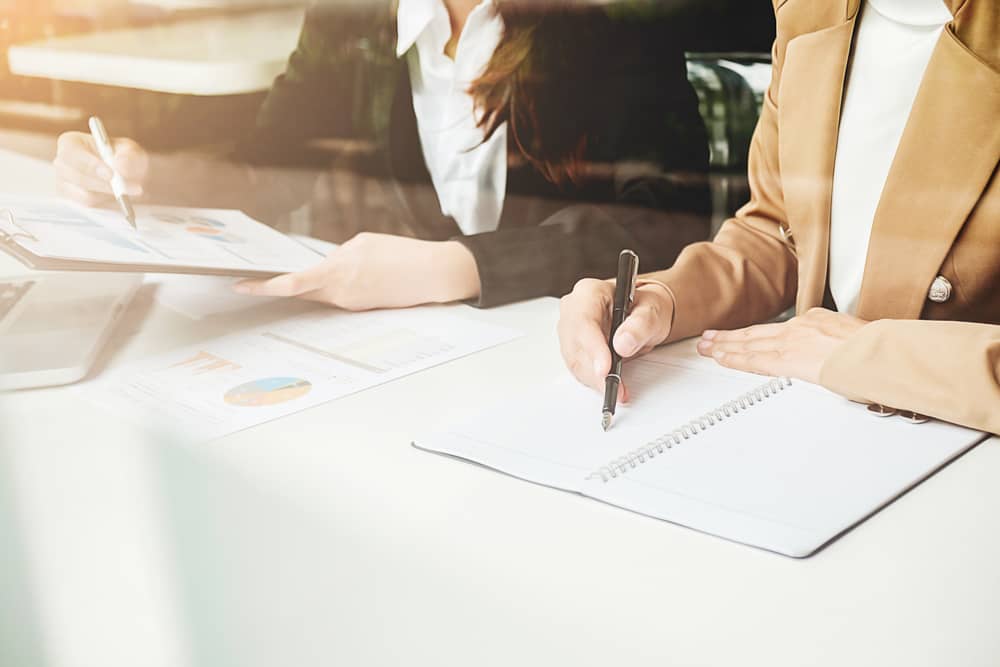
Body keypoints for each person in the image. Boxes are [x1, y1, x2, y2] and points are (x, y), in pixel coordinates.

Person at [53, 0, 715, 310]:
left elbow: (669, 221)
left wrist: (455, 268)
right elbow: (267, 171)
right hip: (421, 363)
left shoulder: (608, 18)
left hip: (572, 351)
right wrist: (145, 173)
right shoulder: (353, 19)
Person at [557, 0, 1000, 434]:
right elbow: (779, 230)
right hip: (824, 421)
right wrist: (663, 300)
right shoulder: (809, 12)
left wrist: (876, 357)